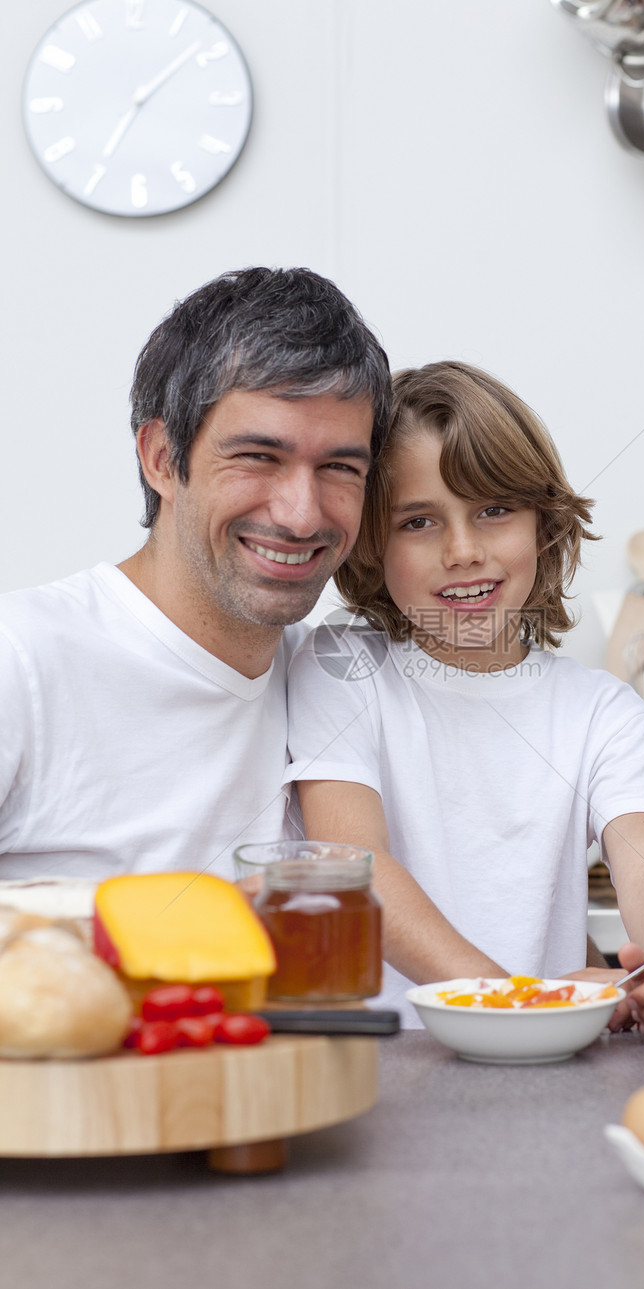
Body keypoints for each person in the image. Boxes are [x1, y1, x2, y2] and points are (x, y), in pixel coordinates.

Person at [283, 361, 644, 1043]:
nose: (464, 551)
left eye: (493, 511)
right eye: (420, 521)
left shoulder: (600, 712)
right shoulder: (342, 669)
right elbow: (356, 866)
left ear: (544, 525)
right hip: (390, 1070)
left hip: (549, 1069)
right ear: (373, 545)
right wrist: (520, 1002)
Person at [0, 267, 391, 879]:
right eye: (258, 457)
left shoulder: (340, 685)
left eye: (340, 467)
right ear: (161, 458)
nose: (301, 515)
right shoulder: (20, 661)